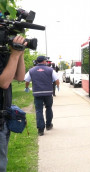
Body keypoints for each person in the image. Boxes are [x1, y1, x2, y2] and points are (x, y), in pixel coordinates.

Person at [0, 35, 27, 172]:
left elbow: (20, 77)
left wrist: (19, 54)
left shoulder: (4, 54)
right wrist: (14, 55)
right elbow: (4, 83)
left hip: (3, 119)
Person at [24, 56, 59, 136]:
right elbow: (56, 80)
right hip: (48, 93)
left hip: (37, 93)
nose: (46, 62)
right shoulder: (50, 70)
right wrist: (57, 86)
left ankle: (40, 130)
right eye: (46, 61)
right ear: (44, 61)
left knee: (39, 110)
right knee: (49, 108)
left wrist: (26, 87)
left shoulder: (31, 70)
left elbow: (26, 80)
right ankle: (49, 125)